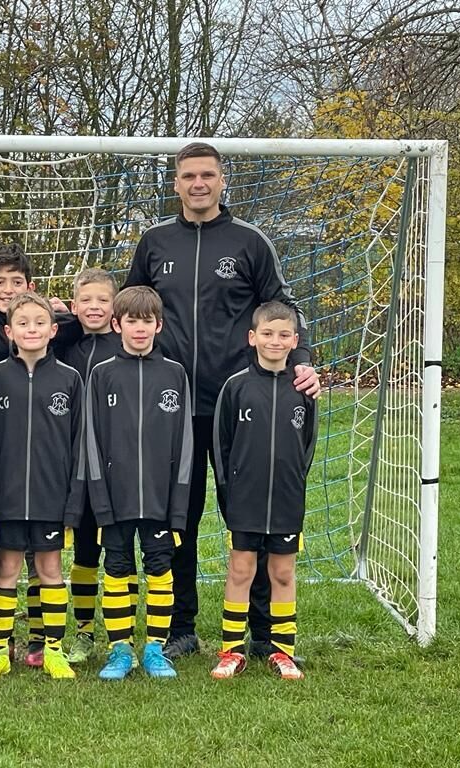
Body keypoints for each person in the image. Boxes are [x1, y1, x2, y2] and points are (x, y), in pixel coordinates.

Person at [122, 141, 319, 660]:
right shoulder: (154, 242)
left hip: (240, 405)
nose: (198, 184)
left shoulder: (250, 242)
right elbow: (129, 309)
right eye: (189, 176)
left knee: (251, 516)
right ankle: (180, 628)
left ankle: (263, 633)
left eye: (207, 175)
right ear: (176, 182)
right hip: (170, 405)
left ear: (222, 180)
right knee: (178, 518)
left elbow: (284, 307)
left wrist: (301, 359)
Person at [0, 292, 84, 682]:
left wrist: (73, 499)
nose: (31, 329)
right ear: (9, 331)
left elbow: (79, 443)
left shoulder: (70, 379)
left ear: (53, 330)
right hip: (6, 498)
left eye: (39, 323)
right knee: (5, 569)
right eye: (23, 323)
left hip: (51, 496)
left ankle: (53, 649)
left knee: (50, 568)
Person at [84, 286, 193, 681]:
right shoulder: (102, 374)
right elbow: (91, 440)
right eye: (132, 321)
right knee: (116, 568)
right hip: (115, 498)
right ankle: (120, 649)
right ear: (117, 325)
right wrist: (100, 498)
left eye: (147, 321)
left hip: (161, 500)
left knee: (160, 568)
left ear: (159, 325)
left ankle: (155, 650)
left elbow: (185, 444)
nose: (140, 328)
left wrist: (178, 502)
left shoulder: (175, 374)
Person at [210, 302, 317, 680]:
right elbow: (221, 446)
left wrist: (294, 483)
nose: (275, 341)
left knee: (283, 573)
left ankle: (283, 652)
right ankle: (231, 651)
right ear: (252, 337)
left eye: (284, 334)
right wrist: (230, 490)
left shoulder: (303, 390)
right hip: (245, 499)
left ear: (295, 341)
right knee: (241, 570)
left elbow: (307, 446)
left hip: (287, 499)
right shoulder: (236, 386)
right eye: (267, 333)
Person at [52, 268, 134, 665]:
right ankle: (83, 632)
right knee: (84, 552)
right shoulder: (65, 345)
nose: (94, 307)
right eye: (86, 300)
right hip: (76, 467)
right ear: (74, 306)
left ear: (115, 306)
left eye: (103, 300)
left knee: (121, 552)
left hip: (120, 466)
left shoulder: (128, 347)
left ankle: (125, 636)